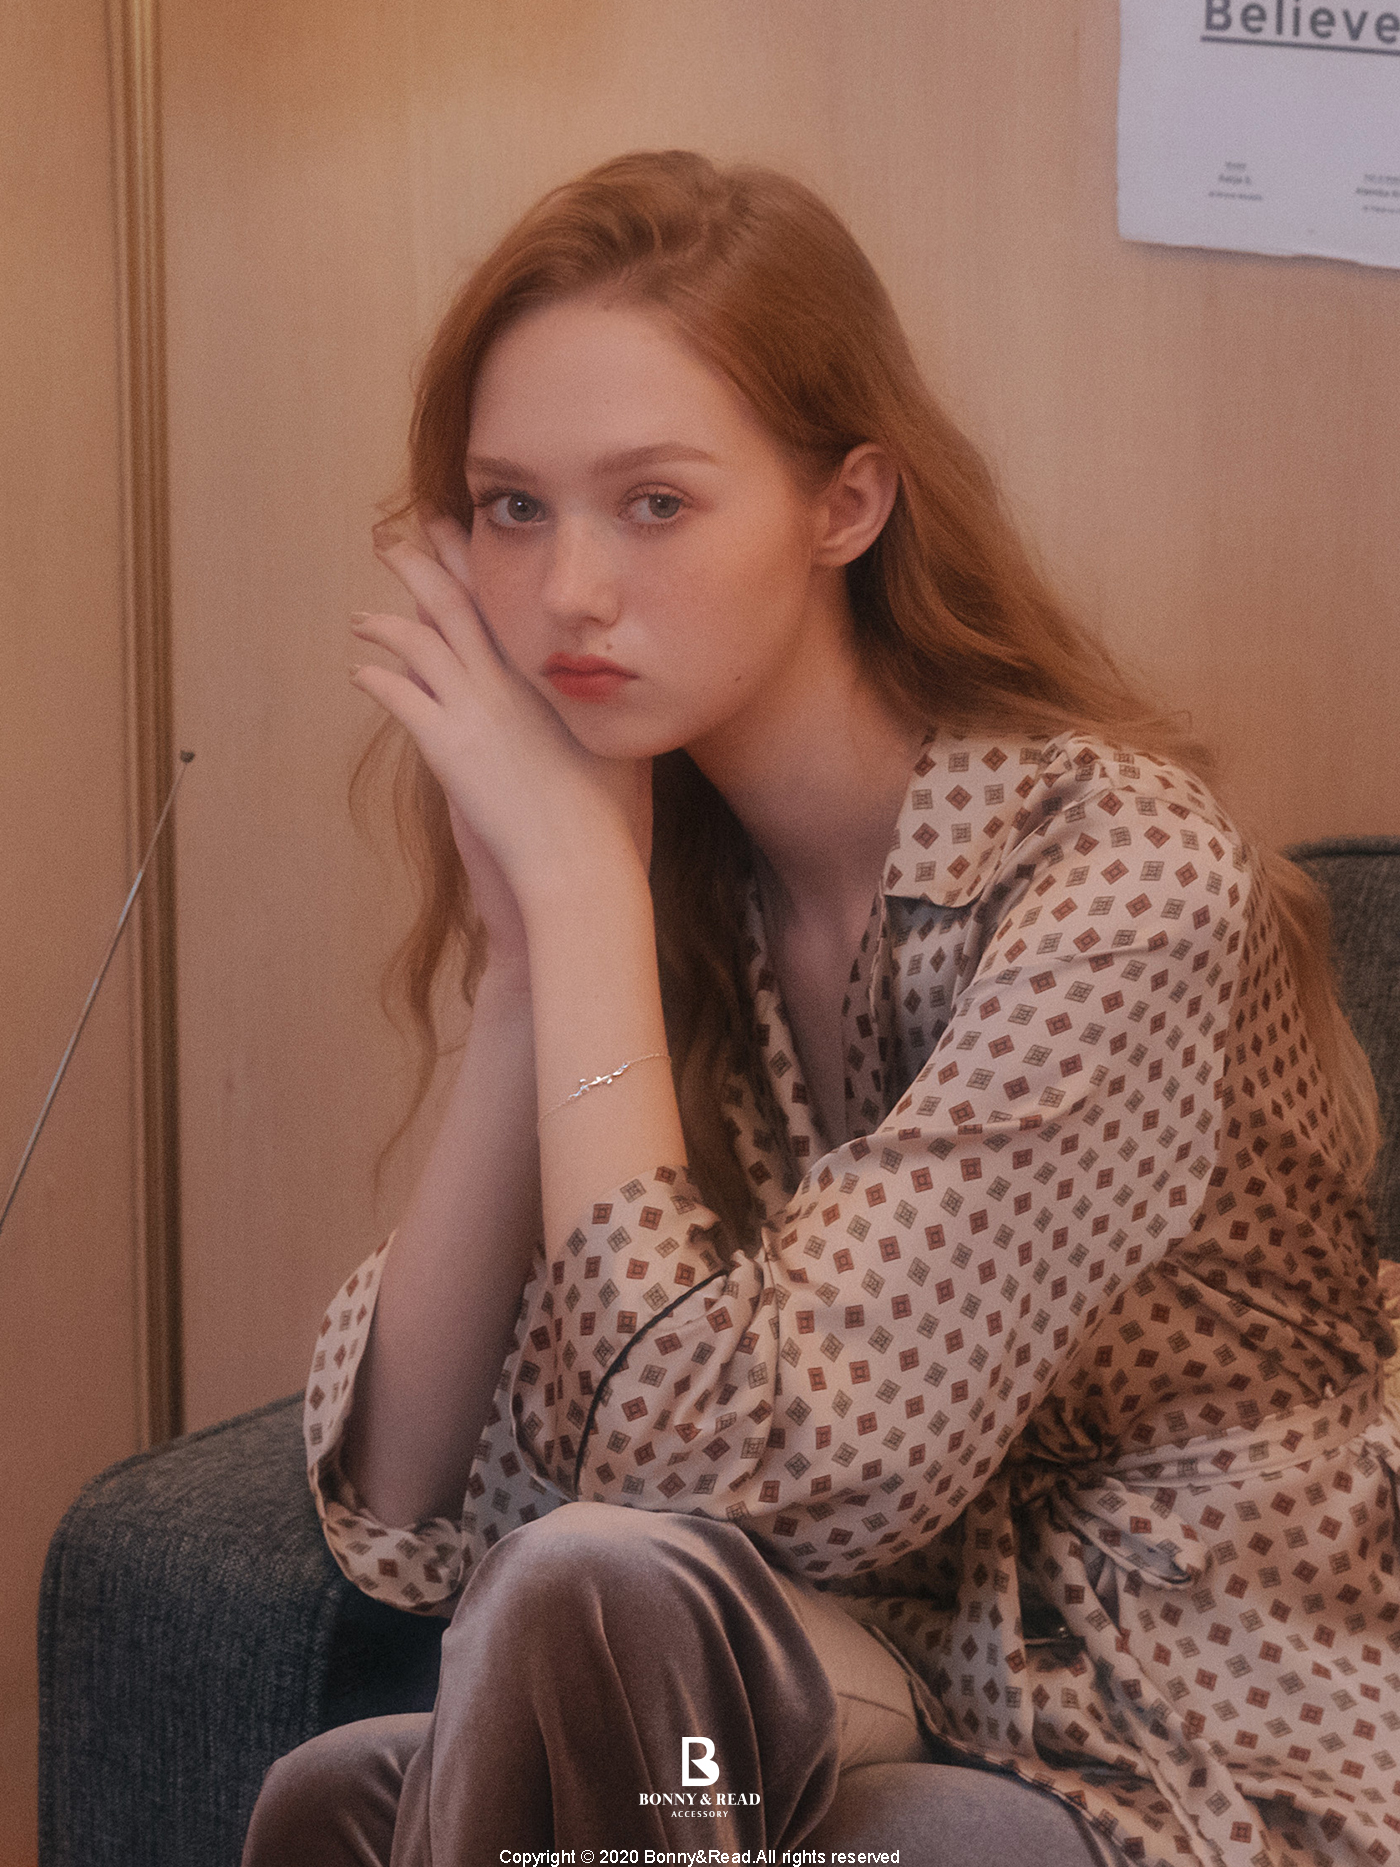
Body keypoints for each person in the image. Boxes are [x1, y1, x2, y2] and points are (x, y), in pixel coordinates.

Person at [240, 152, 1398, 1867]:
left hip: (1193, 1722)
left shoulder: (1123, 875)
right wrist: (533, 968)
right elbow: (405, 1496)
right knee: (393, 1756)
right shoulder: (670, 879)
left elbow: (720, 1465)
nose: (566, 594)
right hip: (832, 1679)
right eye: (511, 509)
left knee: (503, 1721)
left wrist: (580, 890)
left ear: (846, 505)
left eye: (655, 504)